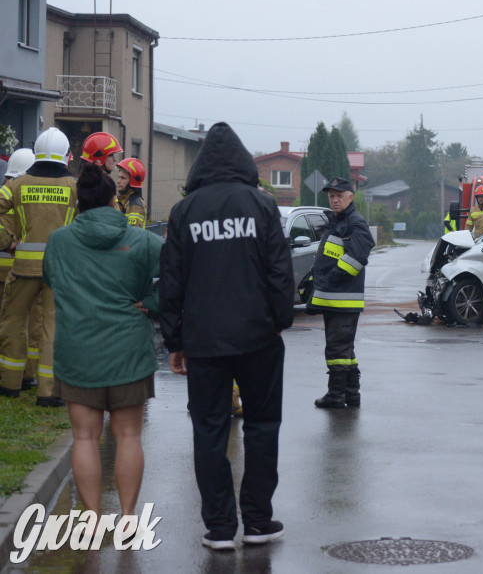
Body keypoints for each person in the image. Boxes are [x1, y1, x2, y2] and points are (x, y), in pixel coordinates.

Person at [159, 122, 293, 550]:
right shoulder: (262, 205)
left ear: (200, 167)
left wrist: (174, 340)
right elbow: (279, 271)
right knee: (261, 426)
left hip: (204, 342)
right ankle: (257, 521)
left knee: (209, 429)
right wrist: (279, 321)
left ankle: (219, 527)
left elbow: (172, 282)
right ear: (242, 163)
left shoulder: (184, 212)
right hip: (259, 338)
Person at [42, 162, 161, 521]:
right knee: (127, 437)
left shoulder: (59, 241)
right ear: (115, 202)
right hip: (130, 353)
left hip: (78, 352)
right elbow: (178, 277)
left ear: (78, 204)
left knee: (84, 438)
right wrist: (151, 304)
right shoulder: (143, 240)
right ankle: (127, 518)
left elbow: (50, 279)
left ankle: (90, 519)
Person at [0, 128, 77, 405]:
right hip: (60, 271)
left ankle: (9, 384)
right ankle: (48, 392)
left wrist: (6, 240)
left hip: (22, 270)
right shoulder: (75, 186)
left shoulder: (17, 184)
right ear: (67, 156)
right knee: (52, 328)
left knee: (13, 322)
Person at [307, 177, 374, 409]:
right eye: (331, 196)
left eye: (339, 196)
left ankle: (336, 395)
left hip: (343, 299)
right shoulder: (339, 221)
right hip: (336, 299)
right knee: (345, 350)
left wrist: (326, 281)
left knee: (337, 350)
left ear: (350, 197)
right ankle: (350, 394)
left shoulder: (355, 223)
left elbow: (355, 260)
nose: (334, 200)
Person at [0, 149, 46, 390]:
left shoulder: (7, 192)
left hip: (14, 272)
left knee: (9, 324)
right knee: (31, 323)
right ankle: (27, 374)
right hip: (22, 270)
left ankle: (8, 376)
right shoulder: (22, 192)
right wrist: (9, 243)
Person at [115, 158, 148, 228]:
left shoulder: (135, 206)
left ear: (133, 182)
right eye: (118, 177)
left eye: (123, 178)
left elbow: (132, 235)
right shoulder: (122, 201)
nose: (118, 181)